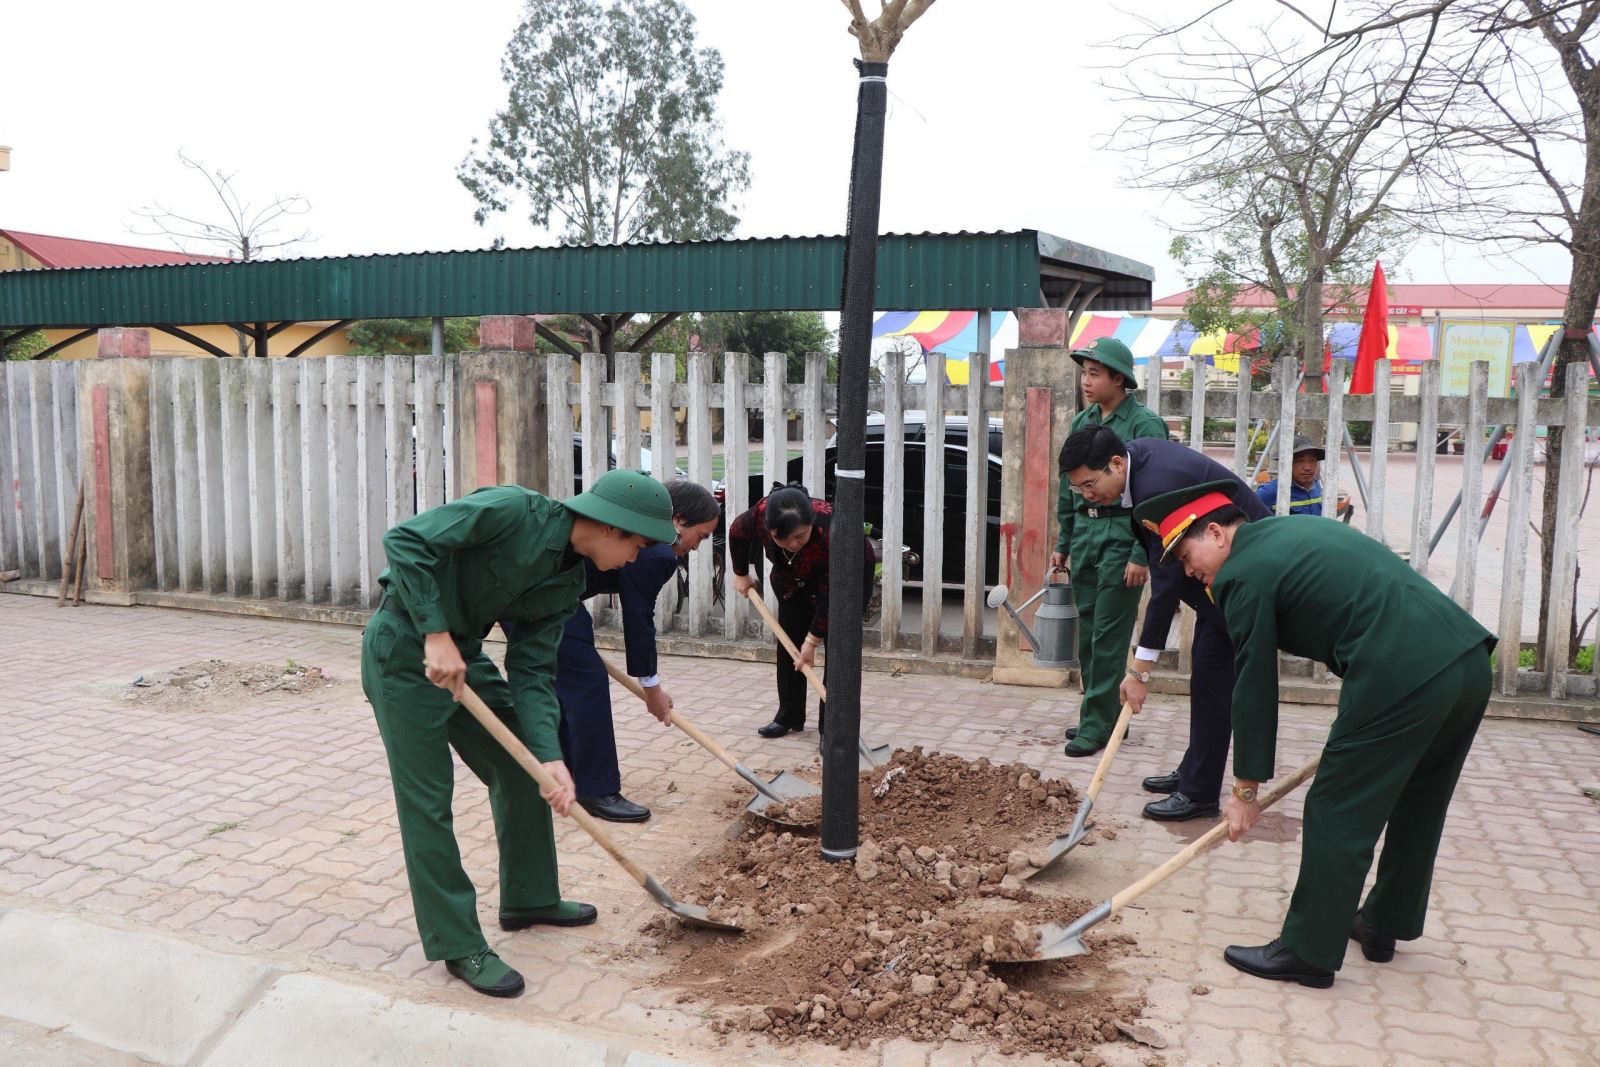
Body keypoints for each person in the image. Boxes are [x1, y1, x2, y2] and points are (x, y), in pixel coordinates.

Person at [1139, 479, 1495, 988]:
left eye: (1187, 555)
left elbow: (1254, 684)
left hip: (1400, 673)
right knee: (1420, 798)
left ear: (1216, 532)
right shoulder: (1288, 533)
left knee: (1336, 806)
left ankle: (1308, 950)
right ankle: (1381, 923)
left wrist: (1245, 790)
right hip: (1466, 661)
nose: (1189, 572)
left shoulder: (1241, 575)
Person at [361, 470, 677, 998]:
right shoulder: (512, 510)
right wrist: (434, 634)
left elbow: (531, 672)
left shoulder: (567, 584)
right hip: (403, 648)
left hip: (465, 653)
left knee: (523, 762)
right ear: (611, 528)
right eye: (638, 547)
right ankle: (457, 943)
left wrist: (551, 758)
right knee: (428, 803)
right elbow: (406, 540)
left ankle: (529, 897)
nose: (634, 560)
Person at [1057, 425, 1269, 821]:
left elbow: (1167, 577)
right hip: (1214, 583)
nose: (1087, 495)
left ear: (1116, 464)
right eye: (1078, 488)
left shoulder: (1156, 484)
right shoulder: (1137, 467)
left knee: (1214, 679)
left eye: (1089, 483)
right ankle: (1194, 773)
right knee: (1206, 677)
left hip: (1242, 578)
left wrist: (1140, 669)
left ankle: (1200, 792)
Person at [550, 480, 720, 823]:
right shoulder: (657, 552)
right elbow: (638, 617)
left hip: (558, 595)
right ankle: (596, 790)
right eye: (700, 537)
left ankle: (564, 774)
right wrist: (652, 690)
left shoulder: (654, 548)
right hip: (548, 598)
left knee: (569, 682)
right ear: (678, 520)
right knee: (586, 681)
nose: (698, 548)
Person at [1049, 336, 1169, 757]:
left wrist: (1143, 555)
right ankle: (1097, 715)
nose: (1086, 381)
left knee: (1109, 635)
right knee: (1088, 634)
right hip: (1085, 533)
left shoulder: (1144, 424)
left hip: (1124, 537)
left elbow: (1157, 494)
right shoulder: (1082, 422)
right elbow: (1069, 486)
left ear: (1120, 379)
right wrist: (1063, 541)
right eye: (1084, 373)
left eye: (1095, 373)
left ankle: (1097, 725)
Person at [728, 482, 874, 738]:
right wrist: (741, 574)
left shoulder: (833, 531)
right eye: (780, 539)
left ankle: (832, 731)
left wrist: (812, 641)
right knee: (790, 647)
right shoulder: (762, 513)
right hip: (793, 582)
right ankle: (789, 715)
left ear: (811, 522)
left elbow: (832, 594)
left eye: (799, 536)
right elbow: (737, 532)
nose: (792, 544)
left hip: (844, 583)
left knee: (840, 651)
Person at [1254, 436, 1327, 515]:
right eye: (1300, 461)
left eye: (1312, 460)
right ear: (1287, 463)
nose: (1307, 467)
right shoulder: (1270, 492)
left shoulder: (1316, 487)